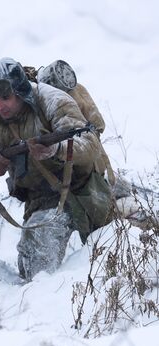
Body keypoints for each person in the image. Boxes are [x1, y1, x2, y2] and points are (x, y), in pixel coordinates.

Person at [0, 57, 111, 281]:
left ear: (21, 91)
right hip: (41, 198)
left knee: (115, 250)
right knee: (35, 270)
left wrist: (58, 148)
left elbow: (88, 144)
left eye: (6, 97)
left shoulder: (53, 101)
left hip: (84, 187)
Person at [37, 60, 158, 230]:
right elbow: (98, 125)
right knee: (122, 202)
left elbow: (97, 126)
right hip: (80, 177)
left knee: (125, 204)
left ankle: (144, 229)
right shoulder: (48, 101)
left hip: (91, 173)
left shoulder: (74, 93)